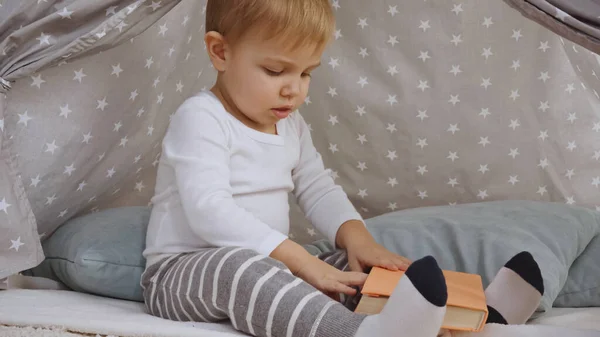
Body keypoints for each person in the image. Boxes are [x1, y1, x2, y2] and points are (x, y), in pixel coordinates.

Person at [140, 1, 545, 336]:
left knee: (351, 267)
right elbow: (209, 210)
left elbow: (318, 189)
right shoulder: (201, 117)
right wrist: (298, 261)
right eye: (276, 71)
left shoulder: (291, 125)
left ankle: (477, 317)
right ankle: (359, 333)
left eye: (306, 73)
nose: (293, 88)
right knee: (240, 266)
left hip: (269, 262)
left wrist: (357, 240)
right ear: (220, 52)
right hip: (182, 275)